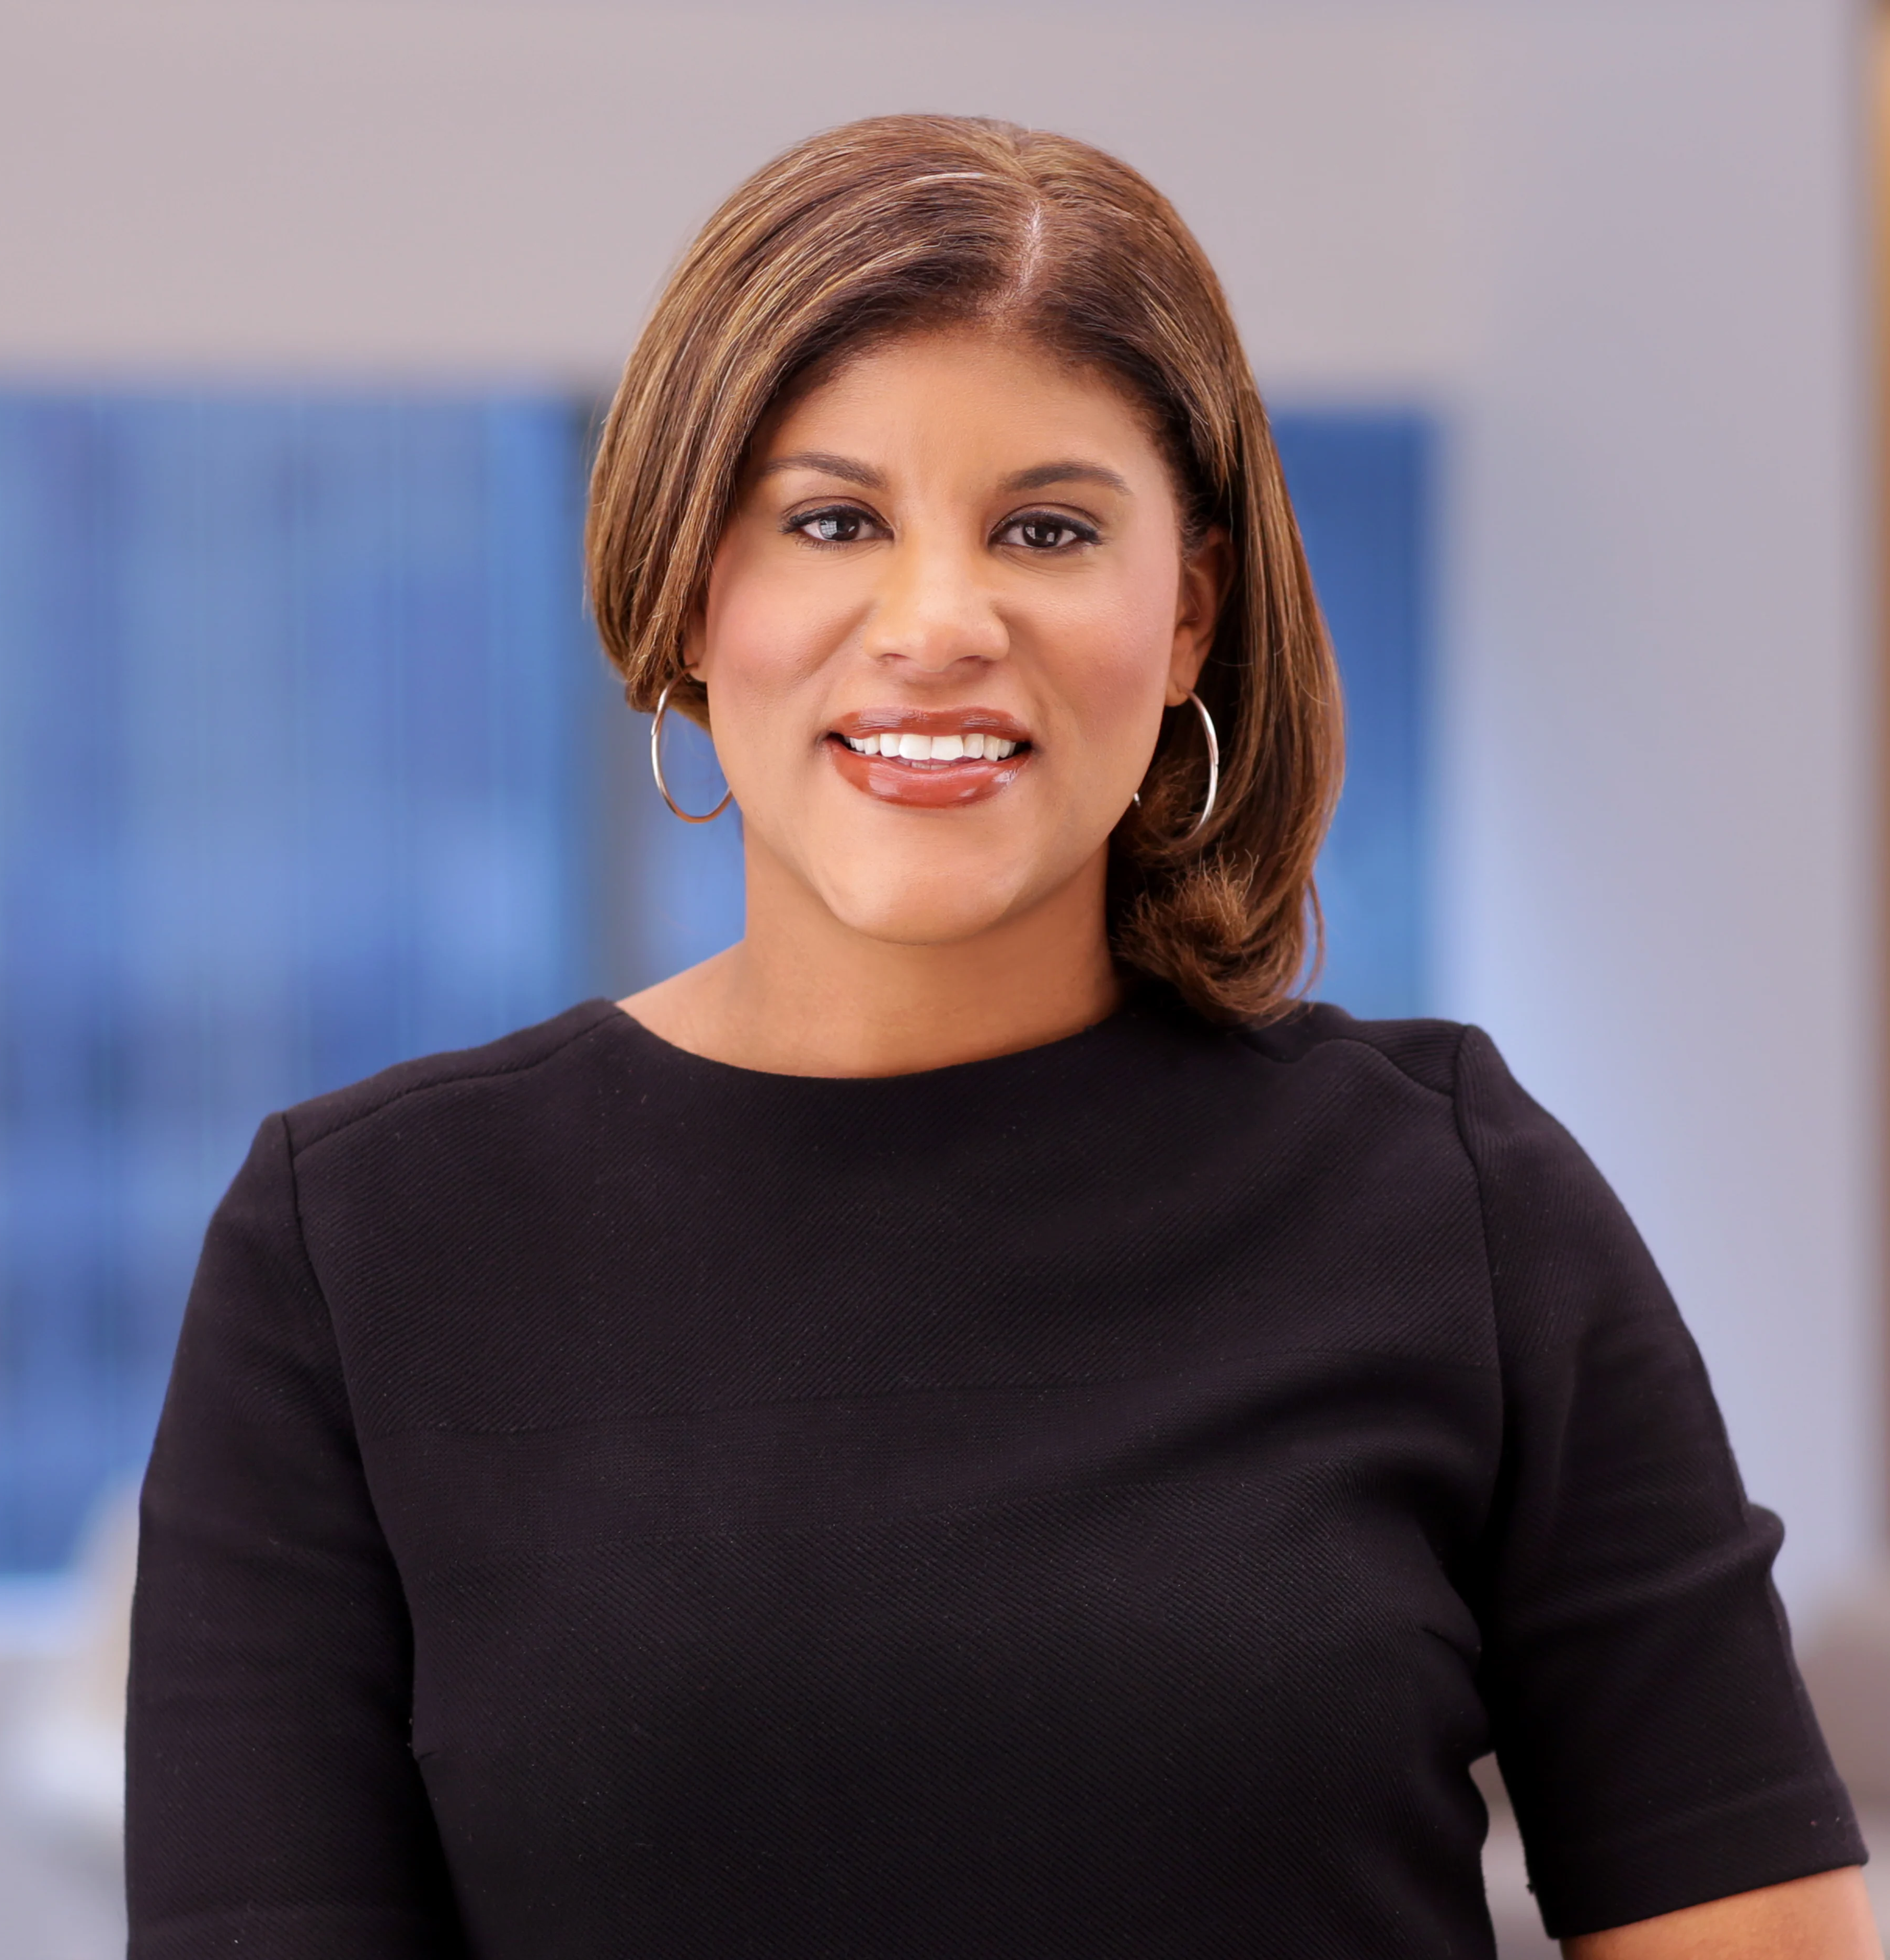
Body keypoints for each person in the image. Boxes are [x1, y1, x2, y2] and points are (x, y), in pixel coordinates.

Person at [124, 116, 1877, 1958]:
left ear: (1187, 610)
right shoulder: (360, 1241)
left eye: (1047, 528)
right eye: (833, 520)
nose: (939, 622)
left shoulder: (1450, 1192)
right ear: (687, 590)